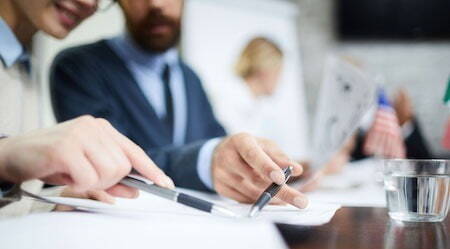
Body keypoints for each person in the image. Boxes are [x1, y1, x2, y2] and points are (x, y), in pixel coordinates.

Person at [50, 0, 308, 208]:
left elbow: (218, 143)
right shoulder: (77, 68)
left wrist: (275, 169)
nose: (156, 4)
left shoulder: (189, 78)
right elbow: (109, 163)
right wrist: (207, 161)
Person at [0, 0, 175, 218]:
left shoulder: (23, 62)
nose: (88, 2)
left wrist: (53, 200)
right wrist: (4, 158)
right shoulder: (75, 66)